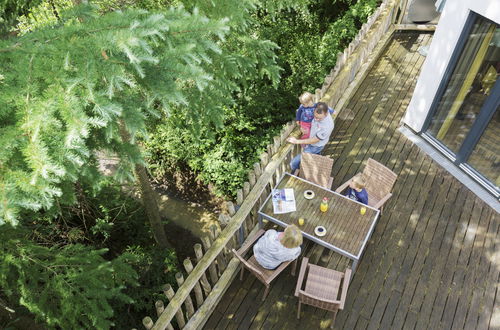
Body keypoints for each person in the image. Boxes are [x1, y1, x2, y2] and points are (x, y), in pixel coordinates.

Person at [288, 102, 335, 173]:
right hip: (314, 143)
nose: (316, 119)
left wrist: (296, 141)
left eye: (319, 118)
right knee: (315, 159)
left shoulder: (327, 126)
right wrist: (303, 127)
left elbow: (314, 140)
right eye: (315, 116)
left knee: (293, 163)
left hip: (315, 146)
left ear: (326, 114)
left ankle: (298, 173)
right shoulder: (319, 107)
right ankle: (315, 171)